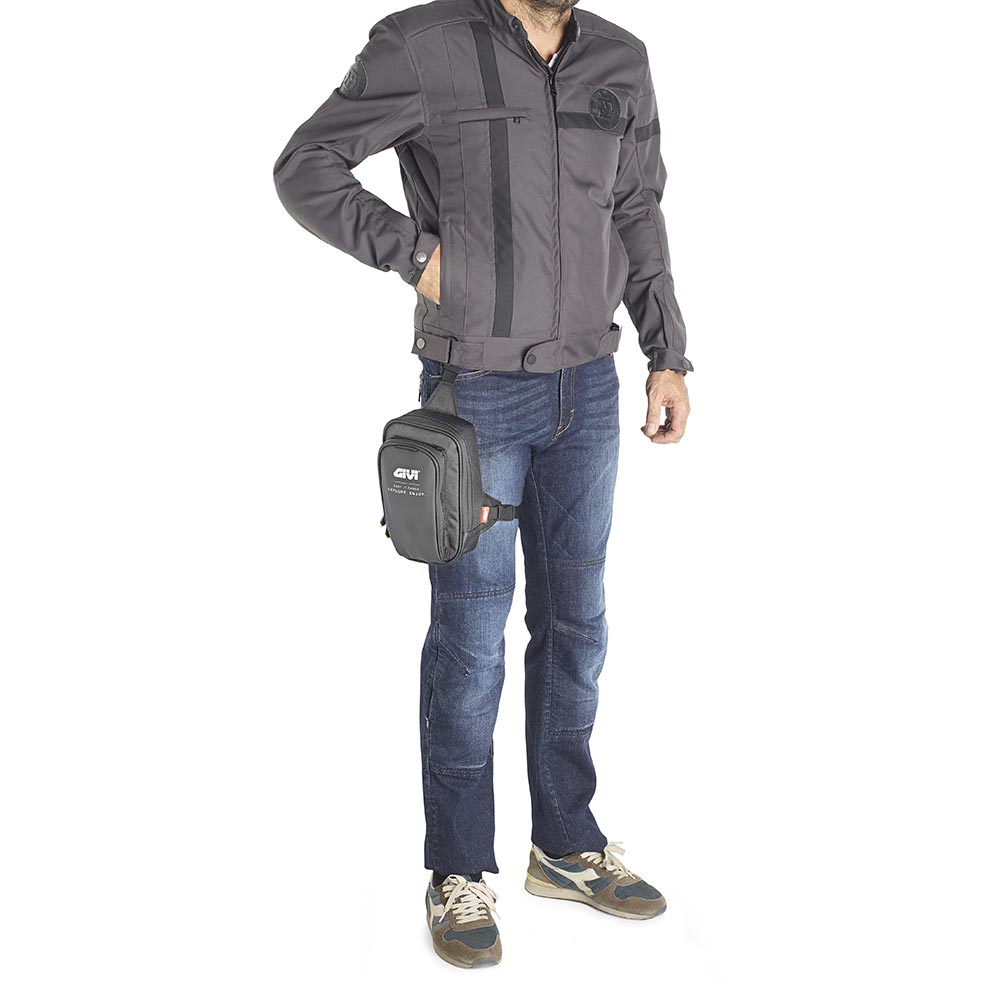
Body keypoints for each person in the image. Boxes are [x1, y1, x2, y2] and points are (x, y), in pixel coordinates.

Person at [274, 0, 692, 968]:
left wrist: (667, 352)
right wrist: (415, 256)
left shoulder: (620, 60)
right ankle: (458, 867)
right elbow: (306, 166)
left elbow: (637, 210)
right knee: (470, 641)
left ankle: (566, 844)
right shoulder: (422, 46)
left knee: (578, 625)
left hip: (589, 387)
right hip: (477, 393)